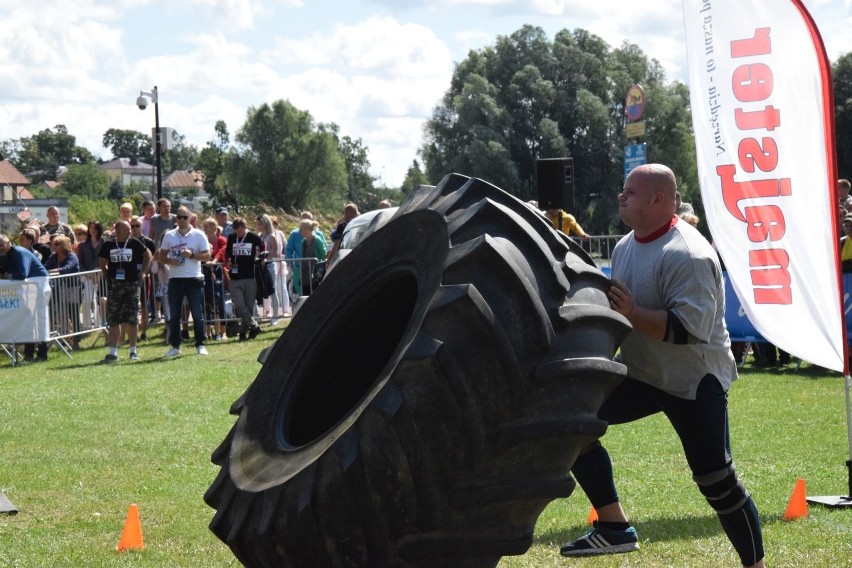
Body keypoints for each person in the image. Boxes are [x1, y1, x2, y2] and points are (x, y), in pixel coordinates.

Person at [560, 164, 765, 568]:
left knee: (717, 483)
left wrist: (633, 312)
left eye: (629, 192)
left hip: (694, 381)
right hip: (641, 373)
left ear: (657, 199)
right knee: (571, 421)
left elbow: (688, 331)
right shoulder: (623, 247)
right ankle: (615, 528)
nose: (621, 197)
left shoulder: (688, 253)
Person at [158, 206, 211, 357]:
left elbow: (207, 256)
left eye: (184, 217)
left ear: (190, 218)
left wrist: (192, 255)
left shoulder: (198, 235)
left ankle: (200, 344)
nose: (181, 220)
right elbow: (161, 256)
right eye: (179, 217)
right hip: (175, 279)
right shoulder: (169, 235)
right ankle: (175, 346)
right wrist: (170, 261)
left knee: (197, 313)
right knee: (175, 314)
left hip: (193, 278)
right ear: (176, 219)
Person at [98, 220, 152, 362]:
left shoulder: (134, 243)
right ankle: (113, 351)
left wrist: (144, 272)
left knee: (132, 318)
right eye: (126, 230)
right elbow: (102, 261)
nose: (130, 232)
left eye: (130, 230)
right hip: (115, 285)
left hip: (132, 284)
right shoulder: (109, 244)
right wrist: (107, 274)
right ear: (118, 231)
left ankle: (133, 351)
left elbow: (148, 254)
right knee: (114, 317)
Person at [0, 234, 51, 362]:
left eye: (1, 245)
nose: (0, 248)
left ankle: (42, 355)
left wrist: (6, 276)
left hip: (37, 286)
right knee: (28, 319)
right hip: (27, 288)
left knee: (39, 319)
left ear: (9, 243)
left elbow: (22, 274)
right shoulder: (5, 255)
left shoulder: (19, 252)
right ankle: (28, 355)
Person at [224, 217, 264, 341]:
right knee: (239, 305)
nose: (240, 233)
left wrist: (260, 256)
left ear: (245, 227)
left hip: (250, 276)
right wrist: (227, 262)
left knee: (248, 306)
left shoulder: (252, 237)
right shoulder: (231, 238)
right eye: (238, 231)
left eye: (242, 230)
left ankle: (244, 333)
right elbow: (227, 252)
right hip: (235, 276)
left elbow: (263, 245)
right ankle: (254, 325)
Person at [44, 235, 82, 347]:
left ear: (63, 245)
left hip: (74, 288)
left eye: (56, 244)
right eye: (53, 244)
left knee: (73, 314)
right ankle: (67, 339)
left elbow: (66, 269)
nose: (53, 246)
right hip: (60, 289)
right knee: (63, 313)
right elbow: (45, 267)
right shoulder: (53, 256)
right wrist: (48, 271)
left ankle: (76, 340)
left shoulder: (72, 256)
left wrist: (51, 272)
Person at [130, 216, 157, 342]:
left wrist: (145, 271)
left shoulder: (148, 241)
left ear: (142, 227)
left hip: (144, 276)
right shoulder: (127, 241)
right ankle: (132, 333)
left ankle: (144, 333)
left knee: (144, 305)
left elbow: (152, 258)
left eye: (137, 226)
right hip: (130, 277)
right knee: (131, 306)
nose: (135, 228)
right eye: (132, 226)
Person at [202, 217, 228, 340]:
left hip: (218, 273)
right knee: (207, 303)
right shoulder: (203, 240)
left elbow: (222, 251)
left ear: (213, 227)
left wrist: (214, 261)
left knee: (219, 302)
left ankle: (222, 332)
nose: (205, 229)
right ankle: (207, 332)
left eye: (207, 226)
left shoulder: (221, 239)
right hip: (205, 274)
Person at [76, 221, 105, 330]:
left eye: (95, 227)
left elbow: (107, 259)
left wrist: (101, 272)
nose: (93, 229)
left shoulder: (104, 243)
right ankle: (87, 324)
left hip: (101, 275)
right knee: (87, 299)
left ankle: (98, 323)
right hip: (87, 276)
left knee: (98, 299)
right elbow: (80, 262)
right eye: (91, 227)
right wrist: (88, 274)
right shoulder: (83, 245)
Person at [257, 213, 282, 324]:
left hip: (270, 265)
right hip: (260, 265)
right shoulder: (259, 236)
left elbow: (276, 252)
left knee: (273, 291)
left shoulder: (271, 236)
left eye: (261, 223)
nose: (259, 226)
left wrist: (265, 256)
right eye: (258, 224)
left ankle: (276, 316)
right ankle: (259, 315)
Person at [296, 219, 328, 297]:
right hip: (305, 273)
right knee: (305, 294)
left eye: (301, 229)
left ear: (307, 229)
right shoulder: (303, 241)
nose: (299, 231)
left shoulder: (317, 240)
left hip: (315, 272)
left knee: (315, 294)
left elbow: (324, 254)